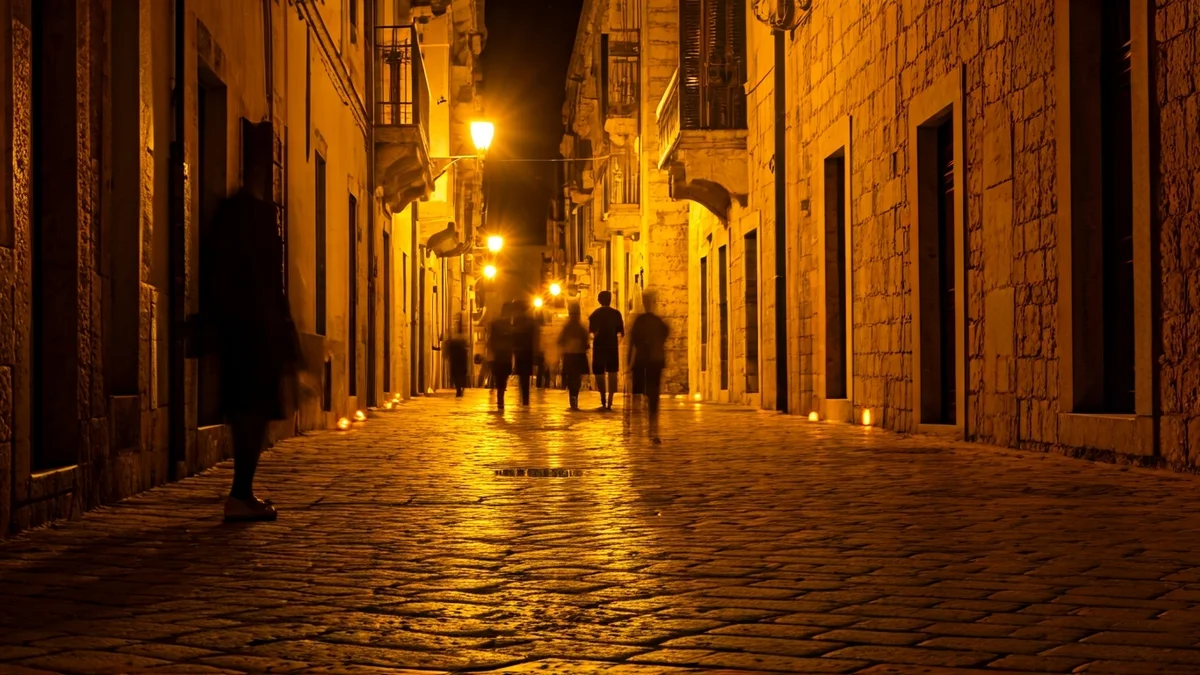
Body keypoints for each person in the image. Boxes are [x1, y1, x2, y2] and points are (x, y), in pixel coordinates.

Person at [203, 184, 302, 523]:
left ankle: (241, 492)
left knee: (245, 413)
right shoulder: (258, 238)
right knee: (252, 415)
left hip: (237, 335)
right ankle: (241, 494)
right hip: (258, 337)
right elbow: (272, 287)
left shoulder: (224, 231)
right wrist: (285, 337)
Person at [628, 290, 669, 443]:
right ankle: (652, 428)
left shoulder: (640, 322)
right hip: (654, 361)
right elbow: (664, 338)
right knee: (652, 396)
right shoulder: (659, 322)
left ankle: (644, 427)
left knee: (640, 394)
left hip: (642, 361)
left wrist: (629, 363)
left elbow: (633, 343)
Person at [588, 290, 624, 410]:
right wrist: (616, 343)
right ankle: (610, 400)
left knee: (599, 373)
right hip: (612, 346)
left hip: (599, 346)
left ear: (599, 300)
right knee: (612, 372)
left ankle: (602, 397)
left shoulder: (594, 315)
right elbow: (621, 333)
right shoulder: (616, 314)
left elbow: (591, 332)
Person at [557, 303, 589, 410]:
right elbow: (586, 343)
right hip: (579, 355)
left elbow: (560, 341)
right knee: (577, 378)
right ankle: (575, 397)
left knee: (571, 378)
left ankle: (572, 398)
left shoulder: (567, 327)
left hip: (569, 355)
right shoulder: (581, 327)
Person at [511, 300, 539, 406]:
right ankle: (525, 399)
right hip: (527, 351)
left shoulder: (517, 321)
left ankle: (524, 398)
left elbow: (514, 336)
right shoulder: (530, 321)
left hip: (521, 351)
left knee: (523, 376)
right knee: (525, 376)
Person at [488, 303, 515, 410]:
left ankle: (500, 400)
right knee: (502, 379)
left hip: (500, 355)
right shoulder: (510, 326)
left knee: (500, 379)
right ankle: (500, 400)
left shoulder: (496, 324)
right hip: (503, 355)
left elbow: (491, 340)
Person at [445, 324, 470, 397]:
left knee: (456, 376)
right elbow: (466, 351)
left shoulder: (453, 341)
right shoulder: (463, 341)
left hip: (455, 361)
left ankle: (458, 389)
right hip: (462, 362)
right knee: (462, 376)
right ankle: (460, 389)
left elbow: (449, 350)